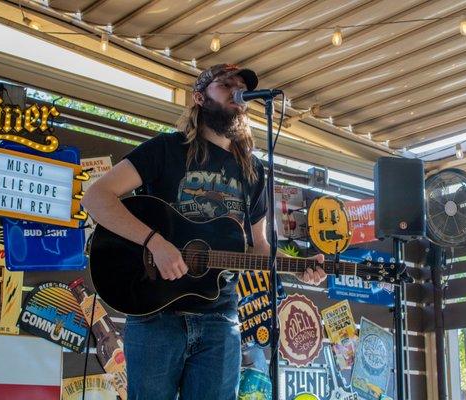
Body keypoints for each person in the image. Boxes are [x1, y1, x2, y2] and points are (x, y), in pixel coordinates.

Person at [81, 63, 326, 400]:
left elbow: (259, 247)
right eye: (227, 85)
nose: (238, 93)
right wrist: (155, 243)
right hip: (157, 314)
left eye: (242, 89)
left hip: (220, 319)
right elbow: (95, 196)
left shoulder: (252, 170)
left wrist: (301, 267)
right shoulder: (166, 150)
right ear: (199, 97)